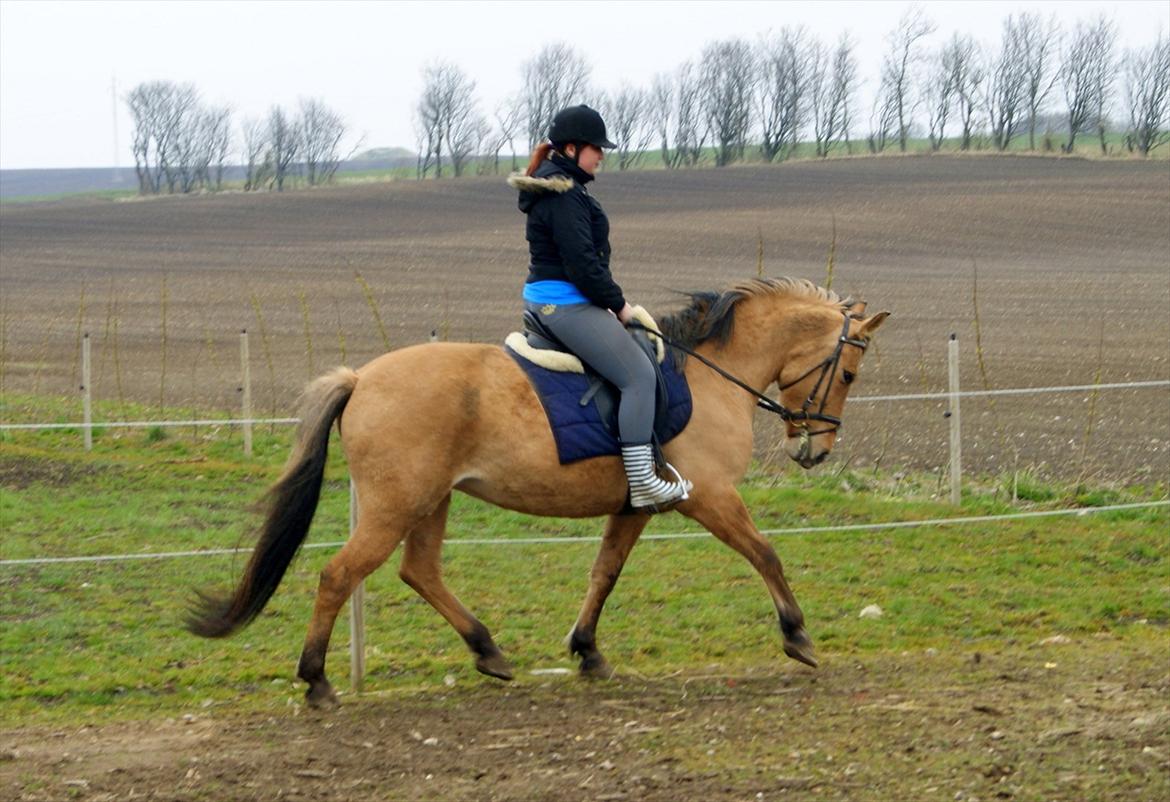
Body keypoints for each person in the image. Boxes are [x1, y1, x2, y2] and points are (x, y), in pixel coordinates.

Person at [507, 104, 691, 511]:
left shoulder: (560, 185)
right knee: (639, 376)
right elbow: (583, 265)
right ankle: (643, 480)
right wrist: (619, 306)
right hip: (565, 304)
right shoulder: (564, 194)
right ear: (571, 149)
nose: (601, 155)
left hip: (554, 301)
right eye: (595, 148)